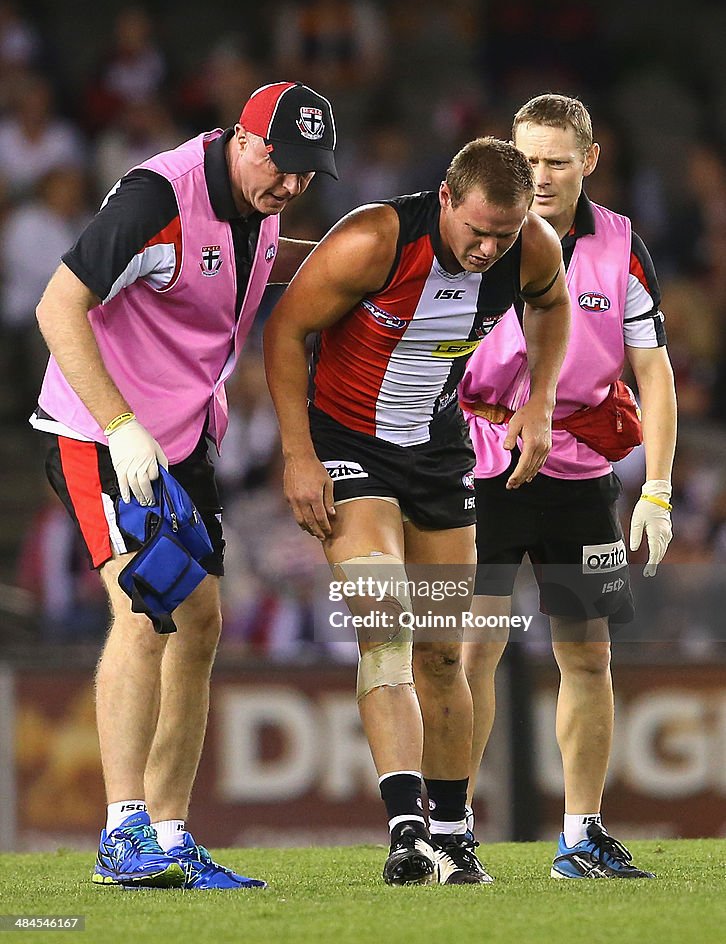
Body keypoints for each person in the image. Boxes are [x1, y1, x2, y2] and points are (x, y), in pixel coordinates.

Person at [32, 81, 338, 889]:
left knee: (200, 621)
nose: (293, 187)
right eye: (283, 165)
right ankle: (120, 832)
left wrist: (366, 262)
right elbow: (58, 308)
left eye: (309, 174)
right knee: (143, 611)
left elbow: (261, 262)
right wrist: (121, 426)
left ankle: (168, 834)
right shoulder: (157, 195)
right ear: (244, 138)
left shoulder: (262, 201)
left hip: (183, 440)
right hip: (101, 433)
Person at [263, 136, 571, 885]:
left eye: (503, 235)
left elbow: (552, 306)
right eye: (476, 233)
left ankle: (454, 833)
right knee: (386, 626)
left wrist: (541, 399)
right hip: (349, 448)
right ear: (444, 199)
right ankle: (406, 834)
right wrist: (298, 454)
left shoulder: (531, 247)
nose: (488, 249)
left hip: (438, 459)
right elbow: (284, 331)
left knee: (443, 652)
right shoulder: (373, 241)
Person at [461, 94, 677, 879]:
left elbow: (654, 372)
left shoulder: (620, 245)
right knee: (471, 651)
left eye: (557, 160)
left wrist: (656, 486)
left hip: (581, 477)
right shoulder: (473, 231)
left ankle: (581, 835)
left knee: (587, 658)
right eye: (528, 160)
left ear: (589, 160)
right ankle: (453, 831)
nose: (541, 177)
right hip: (481, 466)